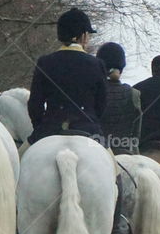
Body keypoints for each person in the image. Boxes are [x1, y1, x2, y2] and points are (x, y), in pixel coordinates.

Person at [26, 8, 107, 143]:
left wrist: (40, 128)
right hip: (89, 132)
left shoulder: (45, 62)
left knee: (18, 162)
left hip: (49, 129)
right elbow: (101, 105)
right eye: (88, 34)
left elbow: (35, 104)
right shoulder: (97, 64)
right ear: (82, 35)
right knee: (112, 164)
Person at [96, 42, 141, 155]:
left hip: (96, 149)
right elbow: (136, 132)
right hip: (125, 151)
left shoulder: (92, 91)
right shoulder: (134, 93)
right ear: (121, 67)